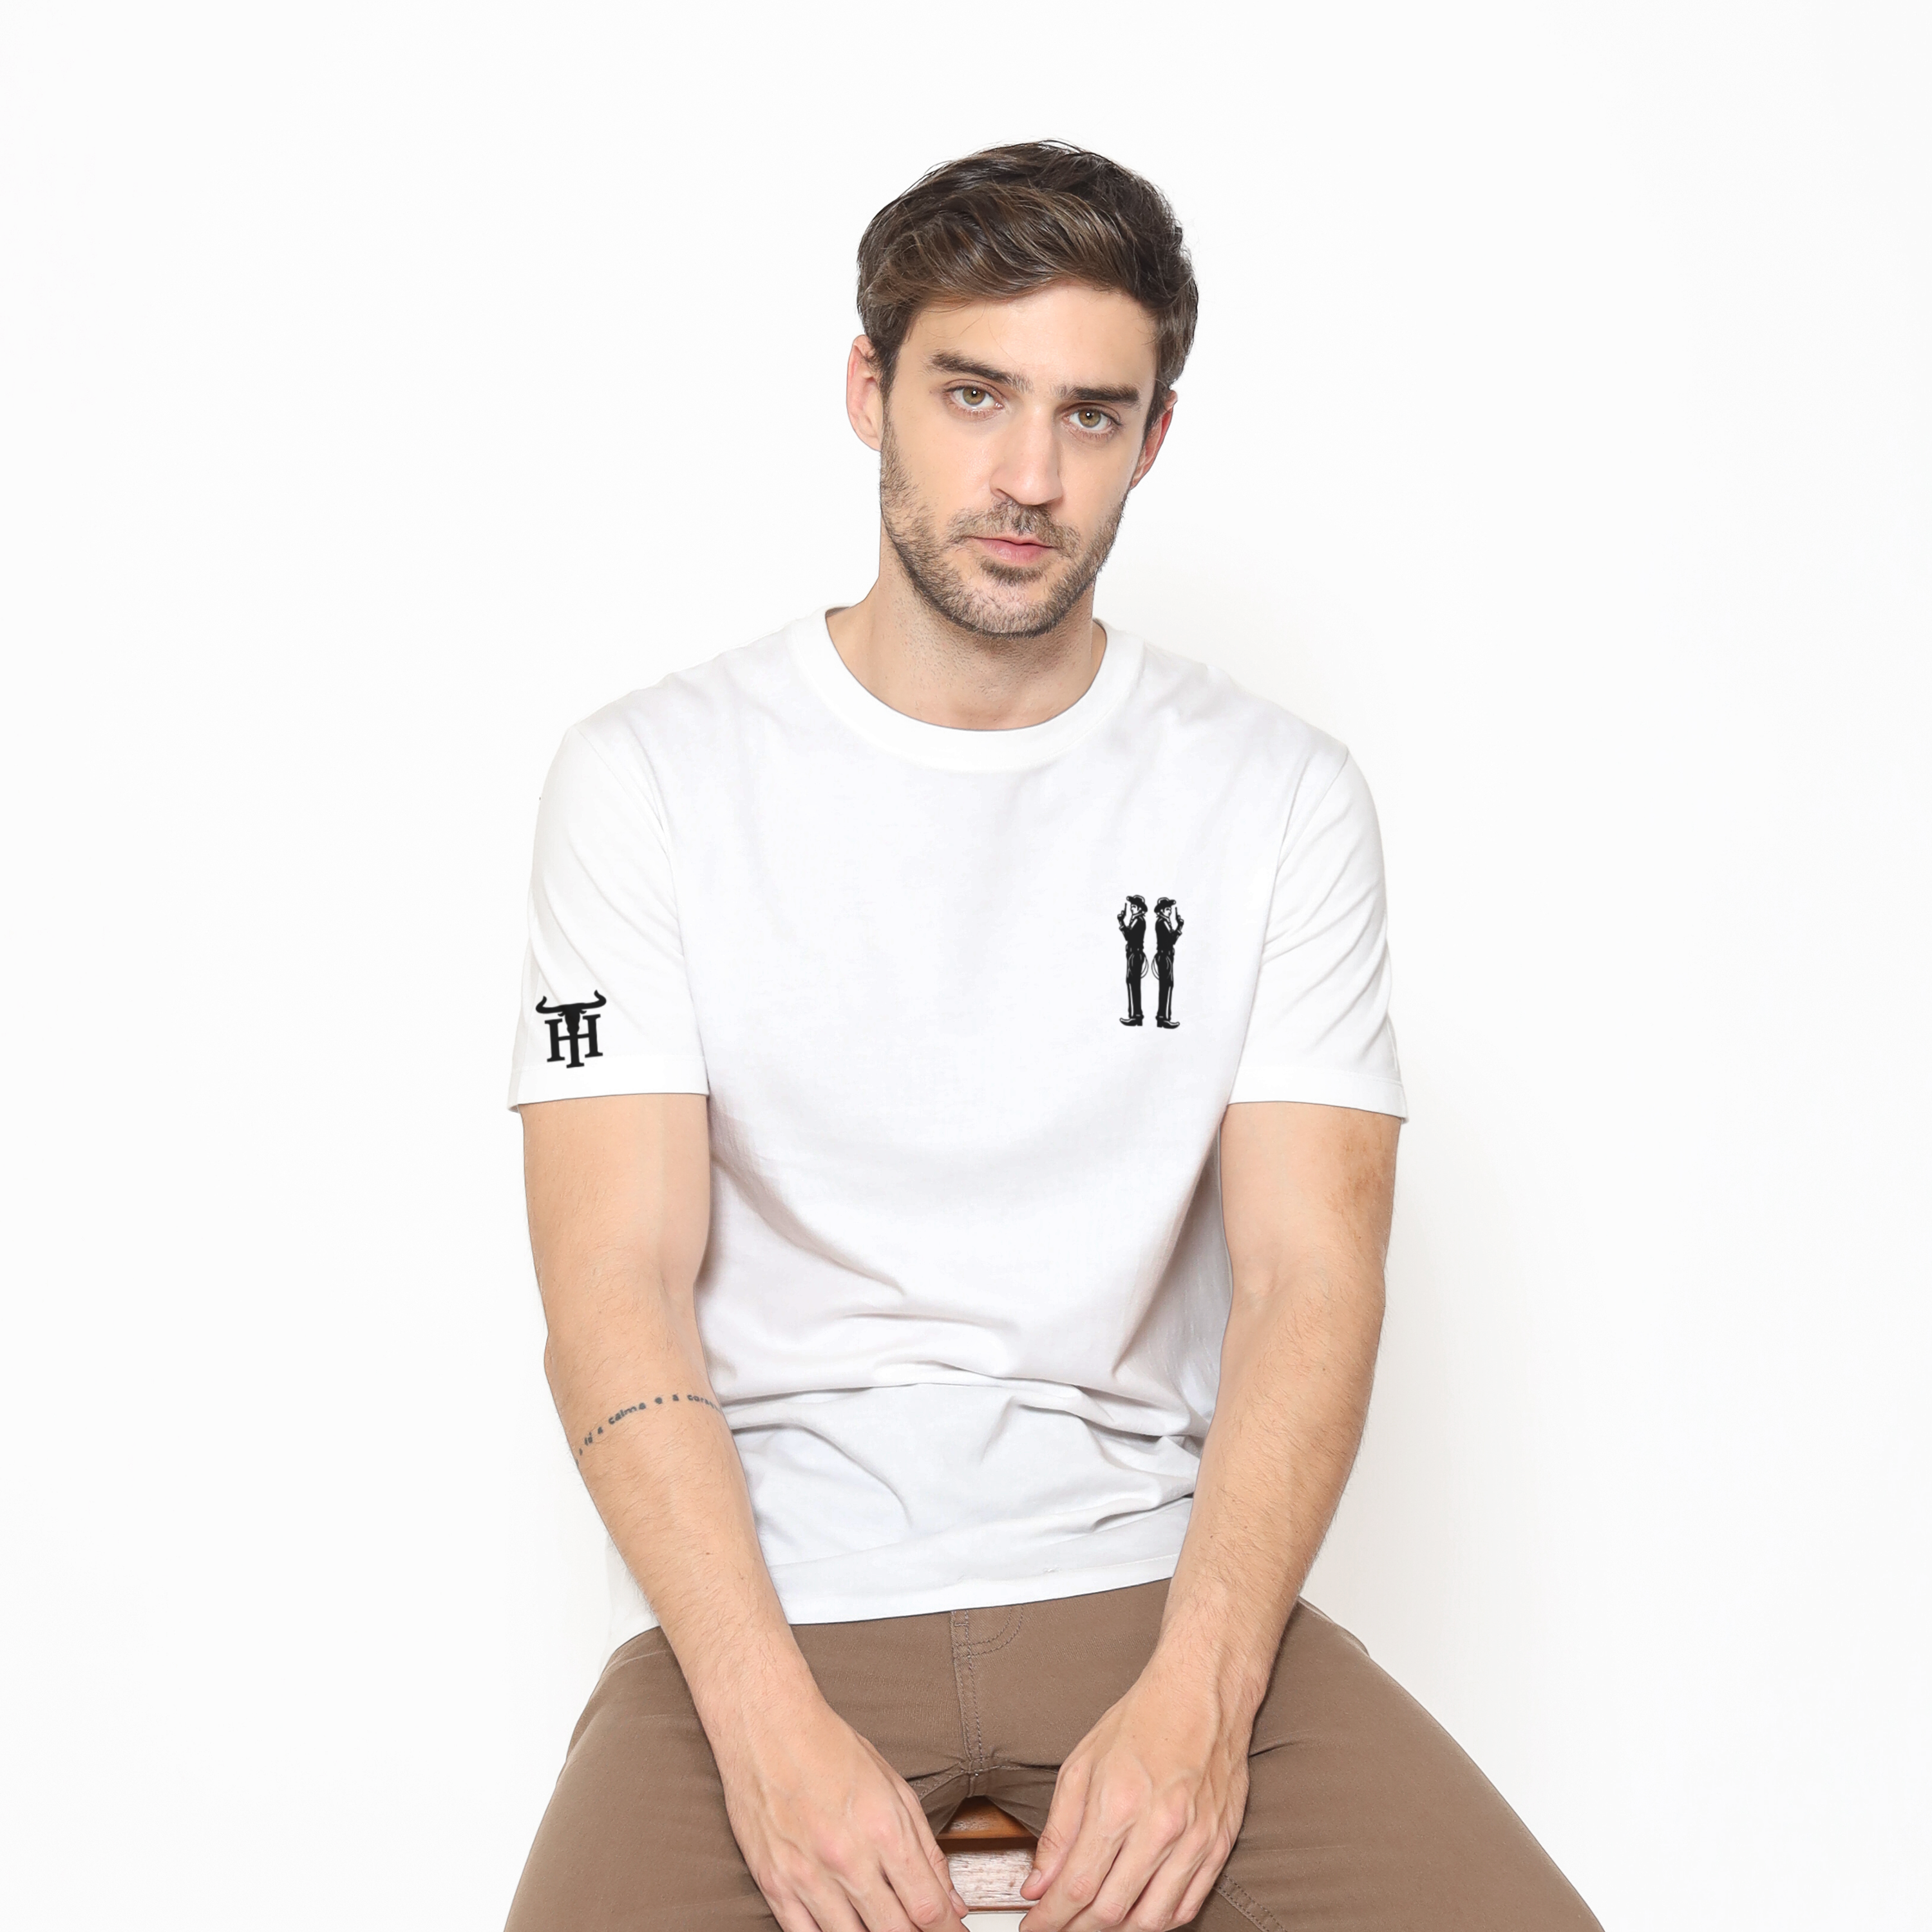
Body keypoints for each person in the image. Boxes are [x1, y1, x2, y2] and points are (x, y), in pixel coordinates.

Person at [504, 141, 1600, 1932]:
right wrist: (766, 1733)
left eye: (1093, 416)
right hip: (776, 1613)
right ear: (868, 390)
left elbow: (1313, 1279)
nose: (1028, 477)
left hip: (1149, 1601)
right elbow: (610, 1282)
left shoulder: (1275, 797)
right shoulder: (650, 781)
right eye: (973, 395)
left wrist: (1203, 1707)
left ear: (1155, 436)